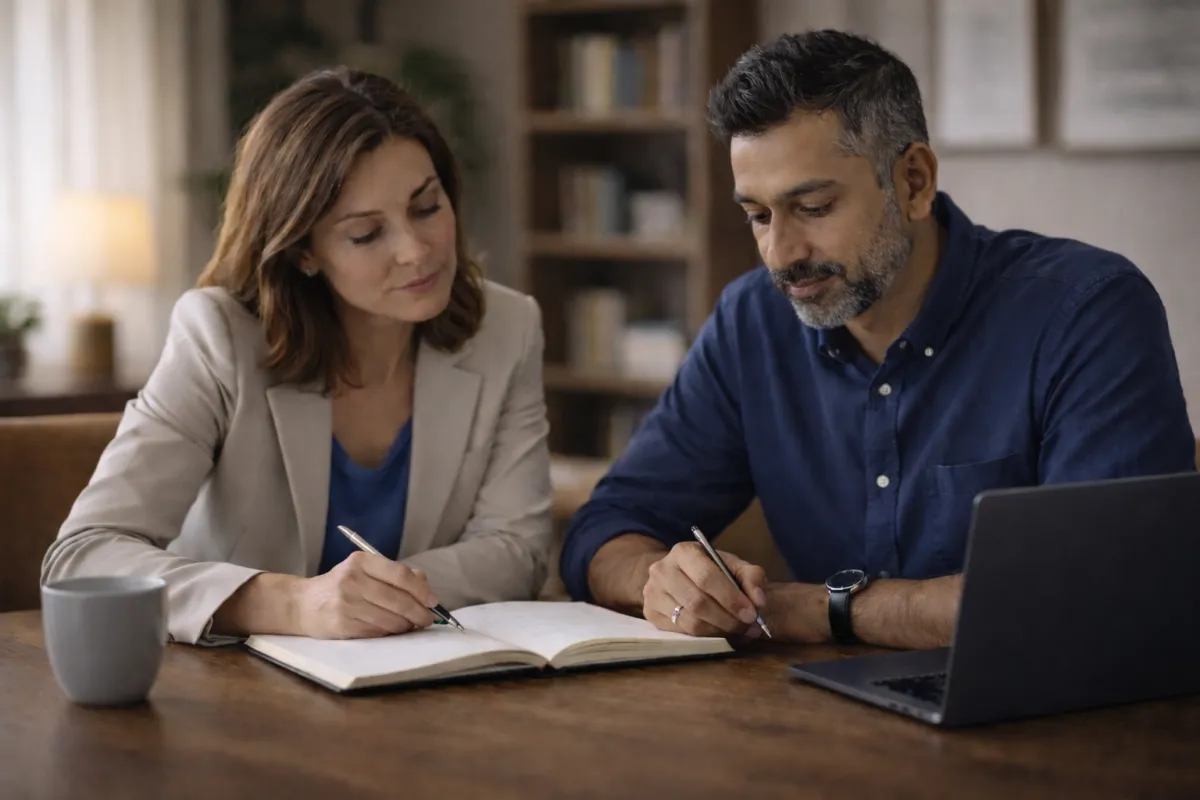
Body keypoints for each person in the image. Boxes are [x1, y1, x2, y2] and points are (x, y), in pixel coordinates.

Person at [560, 31, 1196, 650]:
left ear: (914, 182)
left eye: (813, 207)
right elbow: (602, 530)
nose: (781, 253)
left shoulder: (1087, 310)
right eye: (758, 215)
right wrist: (665, 580)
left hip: (1056, 726)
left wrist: (815, 609)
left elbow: (1104, 592)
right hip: (825, 721)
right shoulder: (751, 320)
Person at [42, 67, 553, 646]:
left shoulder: (507, 328)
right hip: (236, 693)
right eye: (366, 234)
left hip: (422, 681)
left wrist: (370, 601)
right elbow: (83, 556)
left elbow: (518, 549)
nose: (416, 251)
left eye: (427, 206)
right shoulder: (219, 336)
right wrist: (290, 603)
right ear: (304, 252)